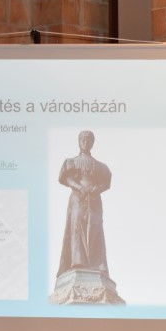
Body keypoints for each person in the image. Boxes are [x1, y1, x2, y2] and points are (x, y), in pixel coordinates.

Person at [52, 129, 123, 304]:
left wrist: (96, 189)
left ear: (92, 143)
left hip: (94, 200)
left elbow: (106, 183)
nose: (85, 142)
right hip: (78, 198)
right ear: (79, 142)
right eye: (83, 139)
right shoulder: (72, 161)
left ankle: (97, 264)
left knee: (95, 229)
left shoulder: (100, 165)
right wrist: (79, 187)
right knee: (77, 229)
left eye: (88, 140)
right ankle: (77, 262)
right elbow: (66, 179)